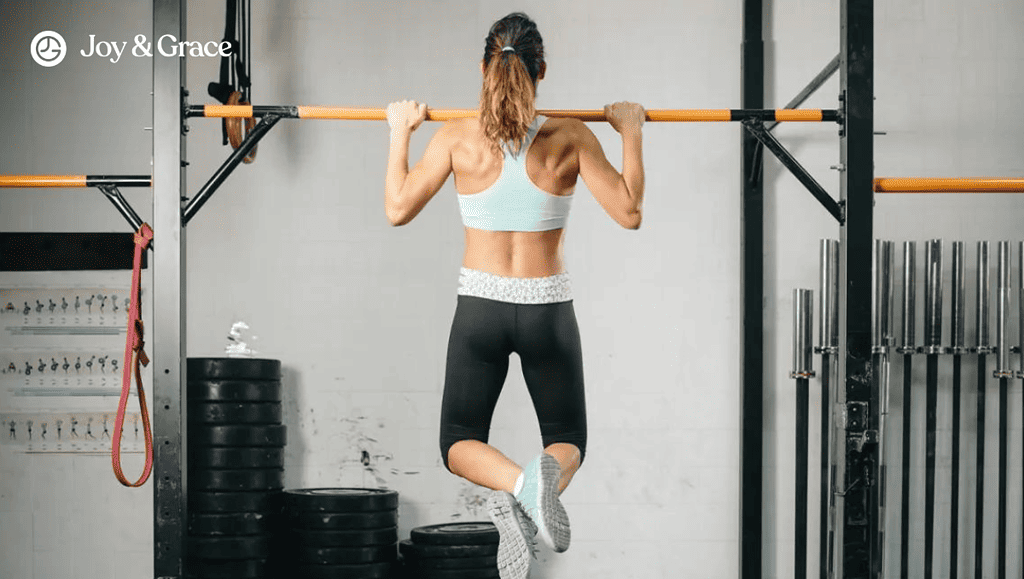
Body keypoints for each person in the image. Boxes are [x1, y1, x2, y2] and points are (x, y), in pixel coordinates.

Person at [384, 12, 645, 579]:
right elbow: (629, 213)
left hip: (480, 308)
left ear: (482, 68)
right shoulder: (571, 135)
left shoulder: (455, 137)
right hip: (547, 307)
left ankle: (518, 487)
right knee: (569, 439)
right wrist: (631, 132)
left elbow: (397, 209)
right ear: (542, 70)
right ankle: (533, 487)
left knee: (458, 442)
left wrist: (399, 131)